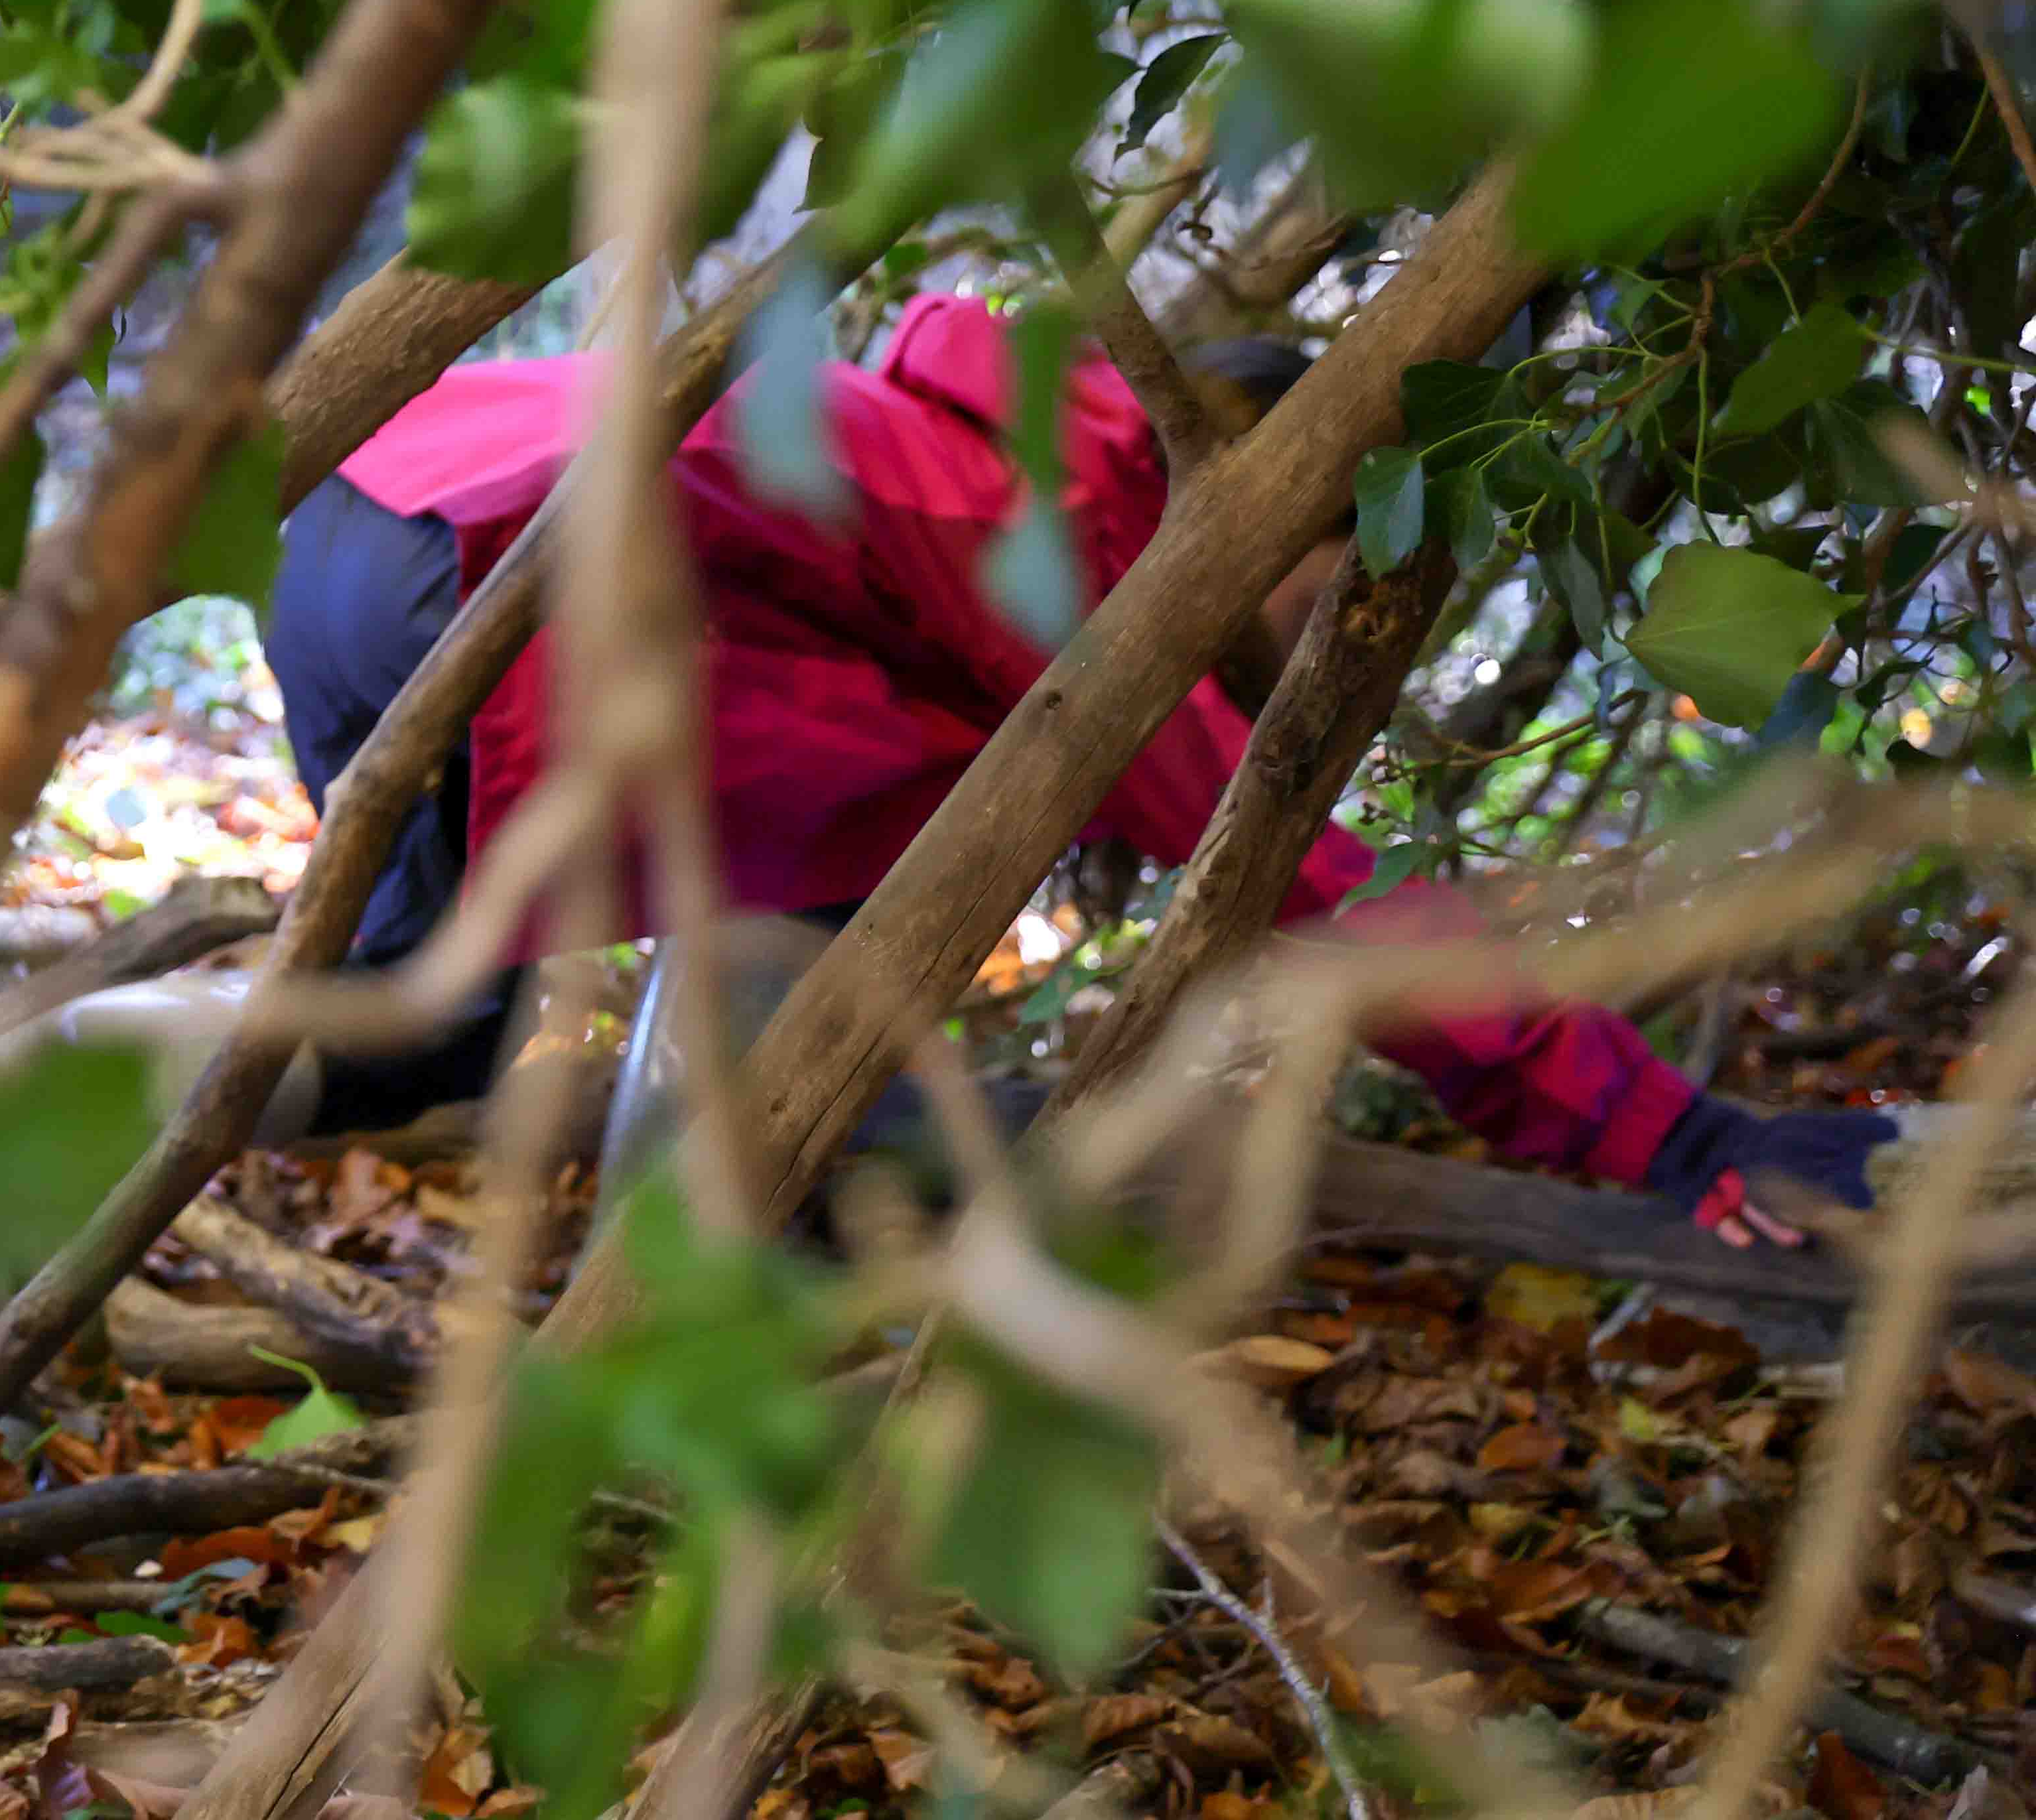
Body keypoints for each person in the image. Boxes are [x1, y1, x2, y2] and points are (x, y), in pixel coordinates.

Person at [262, 293, 1899, 1244]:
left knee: (417, 1031)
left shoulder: (981, 443)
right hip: (484, 576)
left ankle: (41, 1100)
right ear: (1263, 504)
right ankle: (721, 1227)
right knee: (453, 1019)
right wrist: (1673, 1138)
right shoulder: (1072, 552)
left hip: (369, 520)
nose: (1323, 642)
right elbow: (1321, 897)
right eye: (1332, 591)